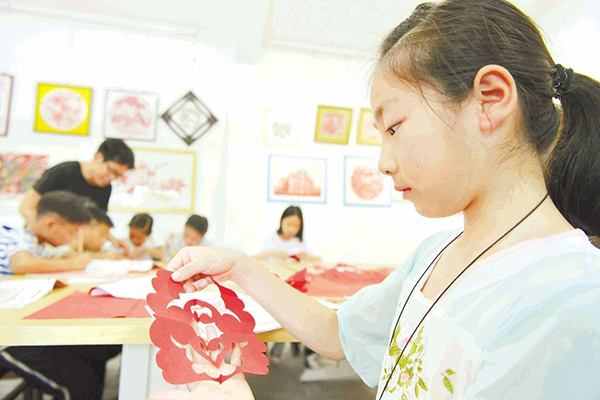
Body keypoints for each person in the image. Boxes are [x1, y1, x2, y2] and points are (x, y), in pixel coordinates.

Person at [149, 0, 600, 399]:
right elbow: (337, 333)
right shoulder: (436, 253)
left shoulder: (568, 298)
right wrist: (241, 267)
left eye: (395, 127)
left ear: (491, 99)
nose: (383, 163)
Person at [19, 138, 134, 254]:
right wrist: (44, 235)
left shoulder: (105, 189)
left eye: (118, 175)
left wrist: (113, 240)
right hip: (41, 244)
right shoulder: (64, 171)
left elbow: (98, 223)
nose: (112, 178)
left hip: (72, 249)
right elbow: (26, 206)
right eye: (111, 170)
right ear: (98, 157)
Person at [1, 191, 92, 275]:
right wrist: (72, 264)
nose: (73, 238)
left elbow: (49, 258)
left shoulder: (39, 246)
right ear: (50, 225)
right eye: (71, 232)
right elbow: (21, 264)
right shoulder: (20, 236)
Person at [254, 205, 320, 262]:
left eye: (296, 226)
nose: (291, 229)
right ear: (281, 221)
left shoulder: (299, 241)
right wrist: (273, 253)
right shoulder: (272, 238)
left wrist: (307, 256)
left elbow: (319, 260)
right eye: (288, 224)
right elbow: (254, 258)